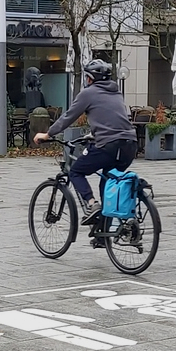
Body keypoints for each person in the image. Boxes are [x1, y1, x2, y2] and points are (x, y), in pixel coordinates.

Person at [33, 59, 138, 226]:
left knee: (75, 172)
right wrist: (94, 134)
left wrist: (48, 134)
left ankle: (91, 203)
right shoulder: (117, 93)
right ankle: (105, 233)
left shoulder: (88, 93)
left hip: (109, 145)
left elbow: (68, 116)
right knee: (108, 181)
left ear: (89, 79)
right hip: (130, 145)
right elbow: (113, 119)